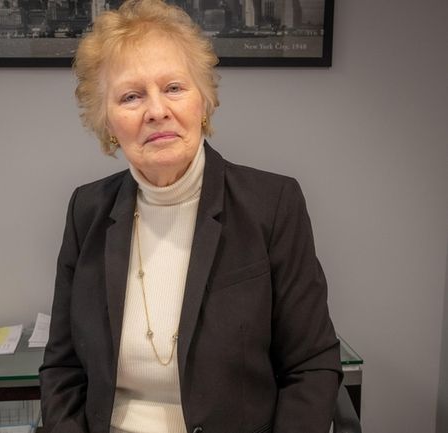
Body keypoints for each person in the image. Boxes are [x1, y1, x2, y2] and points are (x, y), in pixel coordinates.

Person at [38, 1, 342, 432]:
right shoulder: (86, 212)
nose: (156, 110)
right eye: (130, 96)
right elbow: (62, 369)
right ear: (107, 122)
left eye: (174, 88)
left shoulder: (272, 204)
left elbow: (312, 365)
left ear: (205, 101)